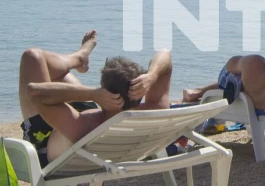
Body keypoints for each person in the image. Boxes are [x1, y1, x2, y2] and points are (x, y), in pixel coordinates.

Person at [19, 30, 174, 165]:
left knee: (32, 57)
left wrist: (92, 94)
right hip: (90, 129)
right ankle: (79, 58)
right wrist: (152, 75)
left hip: (46, 141)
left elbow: (34, 92)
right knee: (47, 67)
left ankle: (78, 58)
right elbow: (165, 54)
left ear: (103, 89)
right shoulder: (153, 112)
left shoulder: (83, 126)